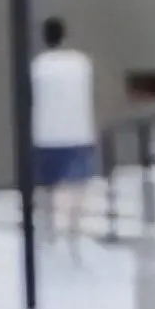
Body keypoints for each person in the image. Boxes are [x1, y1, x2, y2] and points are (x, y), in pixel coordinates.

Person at [32, 15, 97, 258]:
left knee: (46, 187)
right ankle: (73, 232)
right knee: (77, 185)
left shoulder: (38, 65)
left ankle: (47, 231)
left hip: (45, 133)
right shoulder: (81, 63)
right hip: (78, 131)